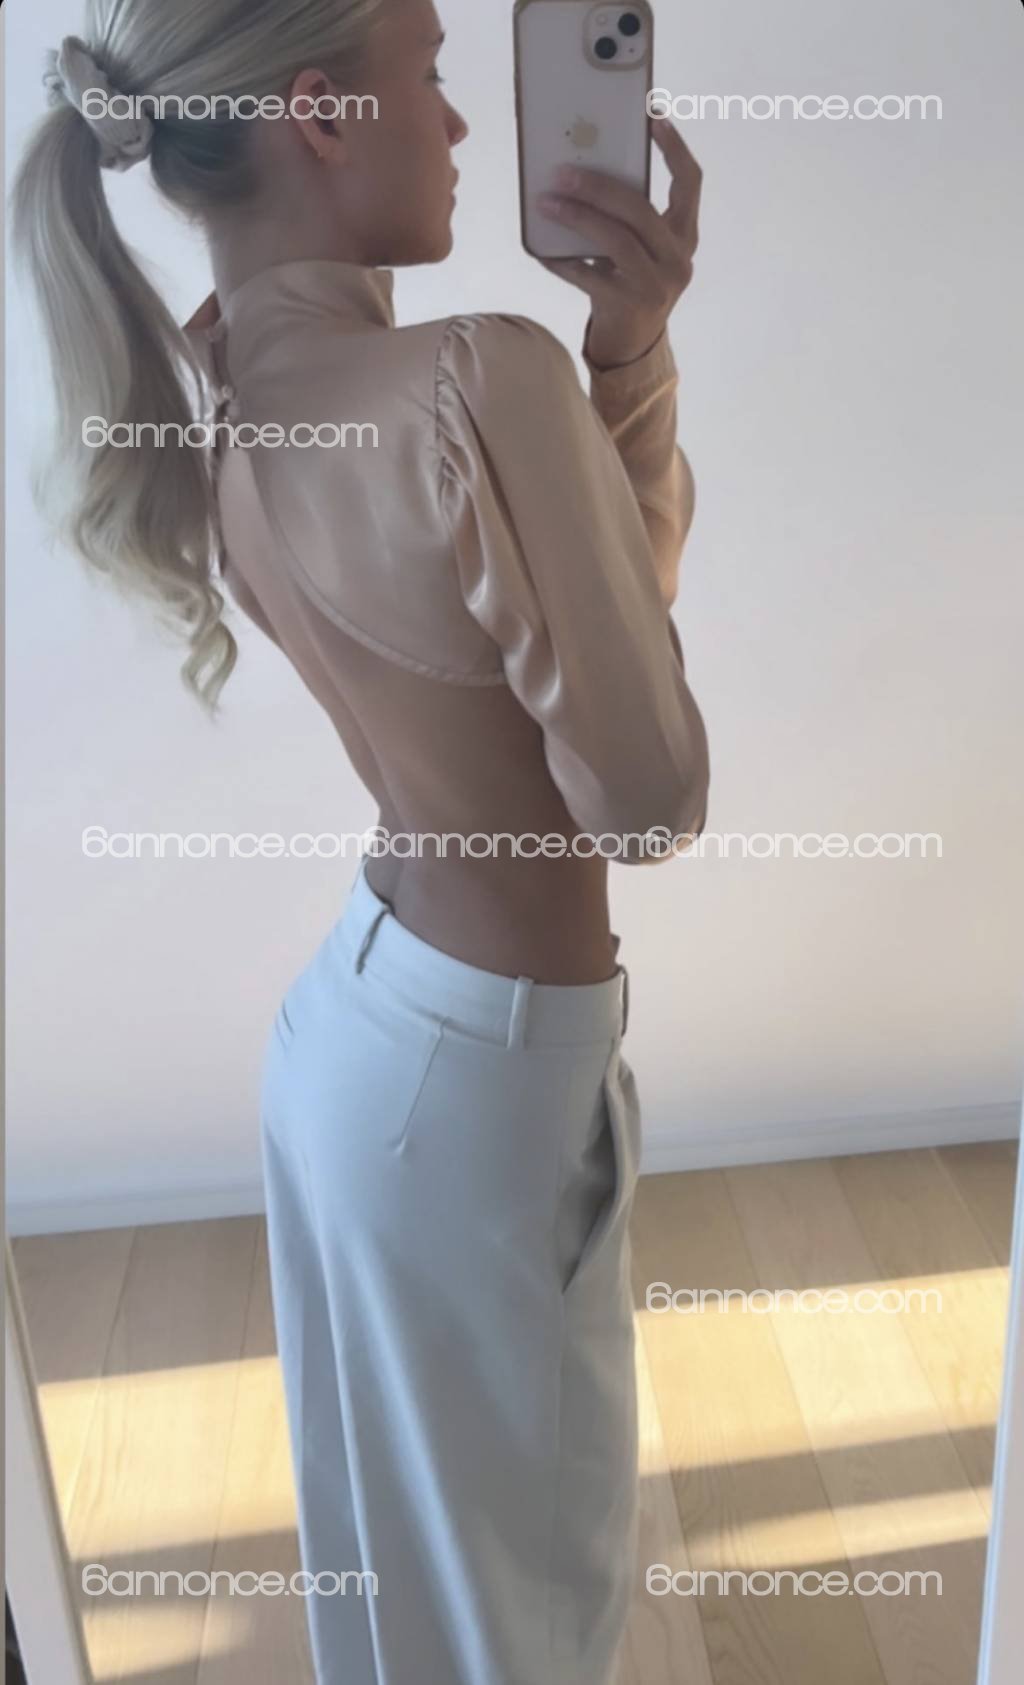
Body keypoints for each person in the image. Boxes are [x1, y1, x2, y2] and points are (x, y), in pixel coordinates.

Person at [12, 1, 710, 1679]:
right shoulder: (478, 379)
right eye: (435, 77)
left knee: (405, 1604)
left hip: (368, 1041)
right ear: (322, 114)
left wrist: (625, 361)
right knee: (524, 1621)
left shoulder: (237, 389)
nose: (461, 126)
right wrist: (598, 379)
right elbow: (648, 794)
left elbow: (567, 635)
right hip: (482, 1081)